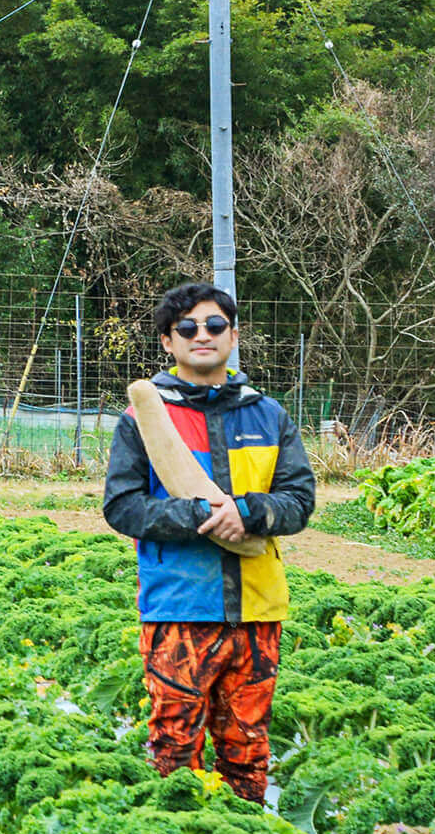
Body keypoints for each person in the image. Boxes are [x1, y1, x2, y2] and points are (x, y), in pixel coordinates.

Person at [103, 283, 316, 804]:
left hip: (257, 610)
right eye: (188, 328)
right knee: (174, 749)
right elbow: (123, 507)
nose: (204, 336)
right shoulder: (142, 420)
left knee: (248, 748)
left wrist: (247, 513)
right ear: (167, 342)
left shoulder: (269, 416)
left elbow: (299, 499)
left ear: (234, 336)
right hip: (178, 607)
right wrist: (201, 515)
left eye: (216, 326)